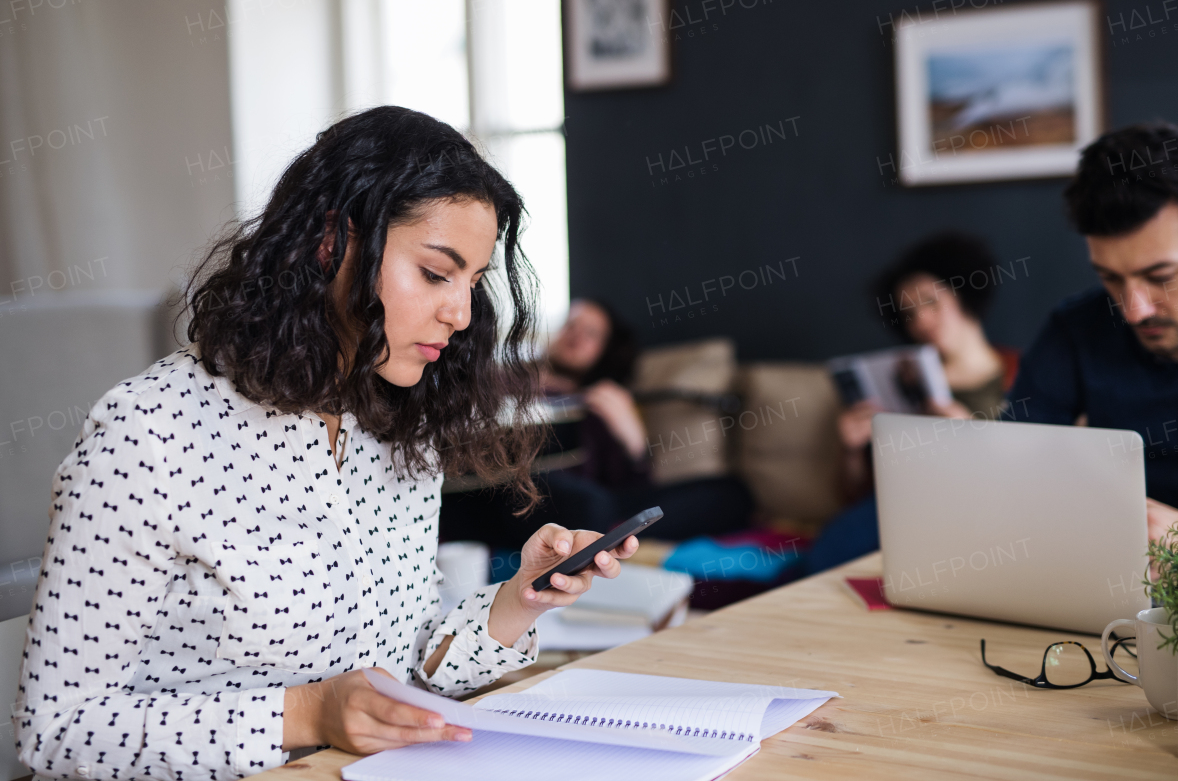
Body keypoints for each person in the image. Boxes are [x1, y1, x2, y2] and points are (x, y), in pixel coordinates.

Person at [12, 106, 638, 779]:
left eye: (472, 282)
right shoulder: (152, 435)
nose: (460, 314)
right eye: (435, 273)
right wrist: (309, 713)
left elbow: (402, 673)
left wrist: (521, 597)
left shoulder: (396, 427)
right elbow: (57, 728)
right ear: (331, 244)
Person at [1010, 120, 1178, 547]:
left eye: (1161, 276)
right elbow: (1012, 474)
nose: (1134, 311)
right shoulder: (1076, 331)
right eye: (1111, 278)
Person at [440, 299, 754, 551]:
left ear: (604, 351)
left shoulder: (605, 403)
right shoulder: (504, 378)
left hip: (596, 501)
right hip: (512, 493)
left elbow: (633, 487)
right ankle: (609, 534)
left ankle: (609, 534)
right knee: (588, 504)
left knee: (731, 493)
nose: (576, 334)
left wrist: (632, 437)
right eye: (571, 325)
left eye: (591, 333)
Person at [806, 234, 1017, 573]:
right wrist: (850, 449)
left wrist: (971, 436)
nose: (920, 321)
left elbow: (1033, 473)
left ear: (963, 295)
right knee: (831, 551)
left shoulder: (1022, 372)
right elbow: (855, 496)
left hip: (984, 510)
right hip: (908, 507)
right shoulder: (904, 384)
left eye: (931, 302)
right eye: (909, 314)